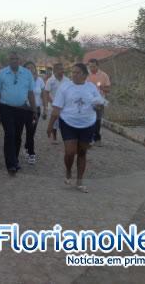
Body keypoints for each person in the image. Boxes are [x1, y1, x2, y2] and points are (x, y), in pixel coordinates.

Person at [47, 63, 105, 193]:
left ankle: (79, 181)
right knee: (70, 152)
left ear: (85, 75)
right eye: (72, 72)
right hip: (68, 123)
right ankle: (68, 171)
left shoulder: (91, 88)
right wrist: (50, 126)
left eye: (77, 72)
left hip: (87, 124)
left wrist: (99, 105)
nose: (74, 75)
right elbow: (57, 108)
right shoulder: (65, 87)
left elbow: (99, 104)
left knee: (82, 152)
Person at [0, 52, 37, 176]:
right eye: (12, 59)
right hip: (6, 109)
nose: (14, 61)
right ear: (8, 60)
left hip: (22, 108)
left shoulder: (27, 74)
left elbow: (31, 93)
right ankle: (10, 164)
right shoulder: (1, 74)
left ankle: (15, 160)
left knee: (17, 136)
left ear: (20, 60)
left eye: (16, 59)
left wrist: (34, 110)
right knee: (9, 134)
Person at [43, 63, 71, 144]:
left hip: (64, 106)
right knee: (54, 123)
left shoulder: (67, 80)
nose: (62, 71)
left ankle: (67, 137)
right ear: (55, 70)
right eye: (60, 69)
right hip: (53, 105)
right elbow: (46, 93)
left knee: (64, 122)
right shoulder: (50, 81)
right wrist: (52, 102)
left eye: (63, 69)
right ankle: (54, 138)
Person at [23, 62, 45, 165]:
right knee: (30, 131)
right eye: (27, 68)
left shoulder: (40, 80)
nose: (30, 69)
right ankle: (31, 153)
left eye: (32, 67)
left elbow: (43, 94)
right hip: (25, 109)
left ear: (35, 69)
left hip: (36, 109)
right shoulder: (22, 80)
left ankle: (27, 146)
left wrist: (45, 108)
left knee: (32, 131)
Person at [86, 58, 111, 147]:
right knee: (88, 120)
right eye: (90, 66)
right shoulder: (86, 75)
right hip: (87, 102)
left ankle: (97, 139)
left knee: (97, 120)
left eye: (93, 66)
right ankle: (88, 138)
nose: (91, 68)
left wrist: (101, 87)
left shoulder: (104, 75)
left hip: (99, 102)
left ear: (97, 65)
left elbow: (108, 89)